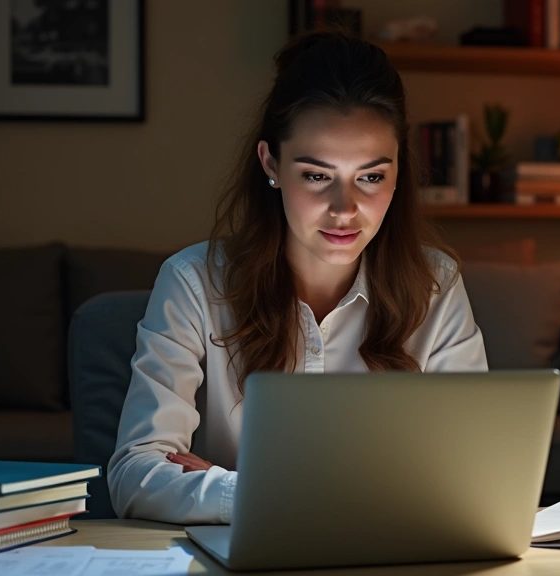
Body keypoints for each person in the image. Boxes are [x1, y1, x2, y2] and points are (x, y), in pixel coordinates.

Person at [107, 30, 488, 525]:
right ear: (271, 164)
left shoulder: (437, 285)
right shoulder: (193, 282)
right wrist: (261, 496)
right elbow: (136, 473)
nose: (345, 209)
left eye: (371, 177)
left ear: (399, 172)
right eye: (316, 175)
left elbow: (473, 475)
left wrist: (236, 489)